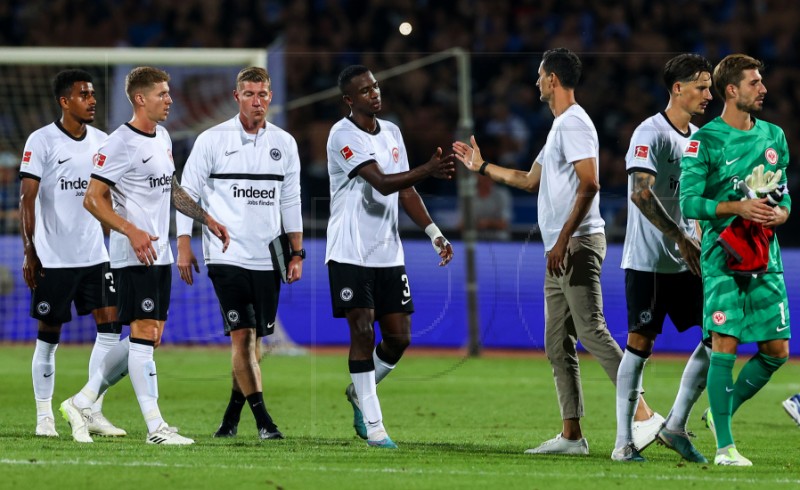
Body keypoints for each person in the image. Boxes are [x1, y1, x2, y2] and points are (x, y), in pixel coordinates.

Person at [453, 47, 659, 456]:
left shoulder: (574, 124)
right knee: (557, 343)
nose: (535, 82)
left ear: (552, 80)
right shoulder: (559, 128)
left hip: (577, 243)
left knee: (591, 330)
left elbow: (591, 183)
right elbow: (530, 180)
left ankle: (645, 416)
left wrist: (564, 238)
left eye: (539, 75)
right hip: (559, 248)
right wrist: (482, 168)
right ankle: (571, 435)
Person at [59, 66, 230, 445]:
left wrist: (207, 219)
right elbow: (93, 198)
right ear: (140, 99)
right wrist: (131, 230)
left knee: (149, 338)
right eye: (162, 94)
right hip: (131, 254)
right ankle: (156, 428)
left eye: (169, 93)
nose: (170, 99)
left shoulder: (163, 136)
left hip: (160, 253)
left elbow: (172, 189)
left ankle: (83, 400)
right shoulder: (120, 143)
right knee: (143, 334)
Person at [326, 65, 455, 449]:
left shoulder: (393, 132)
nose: (374, 94)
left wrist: (434, 232)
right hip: (350, 252)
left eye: (376, 86)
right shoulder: (341, 135)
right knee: (363, 331)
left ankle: (358, 392)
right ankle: (376, 425)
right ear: (350, 100)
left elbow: (405, 192)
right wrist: (428, 169)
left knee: (399, 338)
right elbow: (382, 183)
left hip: (387, 254)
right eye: (365, 91)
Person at [176, 66, 303, 440]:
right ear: (236, 97)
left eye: (262, 94)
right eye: (249, 94)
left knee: (253, 341)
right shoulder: (212, 140)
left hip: (267, 256)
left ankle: (231, 418)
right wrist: (184, 243)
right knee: (242, 334)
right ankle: (265, 422)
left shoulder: (285, 143)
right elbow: (186, 193)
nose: (257, 101)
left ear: (270, 97)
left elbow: (291, 200)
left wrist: (297, 253)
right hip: (224, 255)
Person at [680, 54, 791, 466]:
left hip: (766, 255)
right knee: (724, 344)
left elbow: (785, 194)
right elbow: (690, 201)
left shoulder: (774, 136)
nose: (763, 88)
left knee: (776, 350)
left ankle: (716, 414)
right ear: (732, 90)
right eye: (754, 82)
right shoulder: (705, 141)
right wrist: (736, 208)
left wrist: (781, 214)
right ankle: (725, 447)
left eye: (761, 82)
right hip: (723, 256)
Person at [613, 54, 714, 463]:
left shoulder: (702, 138)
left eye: (709, 87)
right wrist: (679, 238)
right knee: (639, 345)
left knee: (719, 335)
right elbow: (640, 192)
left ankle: (674, 425)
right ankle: (623, 442)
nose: (709, 95)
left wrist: (700, 239)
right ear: (677, 88)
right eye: (702, 87)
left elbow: (699, 200)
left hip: (690, 261)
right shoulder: (649, 132)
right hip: (650, 262)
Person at [19, 69, 127, 439]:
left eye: (93, 94)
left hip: (95, 256)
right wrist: (30, 252)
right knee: (48, 339)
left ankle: (91, 408)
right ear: (65, 101)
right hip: (54, 258)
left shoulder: (102, 141)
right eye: (84, 94)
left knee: (111, 329)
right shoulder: (42, 141)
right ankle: (44, 416)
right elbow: (27, 199)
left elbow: (108, 194)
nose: (92, 100)